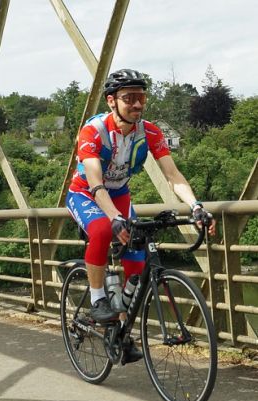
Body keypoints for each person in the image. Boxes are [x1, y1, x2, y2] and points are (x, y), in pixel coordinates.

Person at [66, 68, 216, 363]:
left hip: (119, 195)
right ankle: (97, 299)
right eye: (129, 98)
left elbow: (172, 175)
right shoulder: (93, 131)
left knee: (136, 267)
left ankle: (121, 333)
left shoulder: (149, 132)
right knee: (102, 230)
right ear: (111, 101)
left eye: (142, 97)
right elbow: (95, 180)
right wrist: (113, 217)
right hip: (86, 193)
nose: (137, 104)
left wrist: (196, 206)